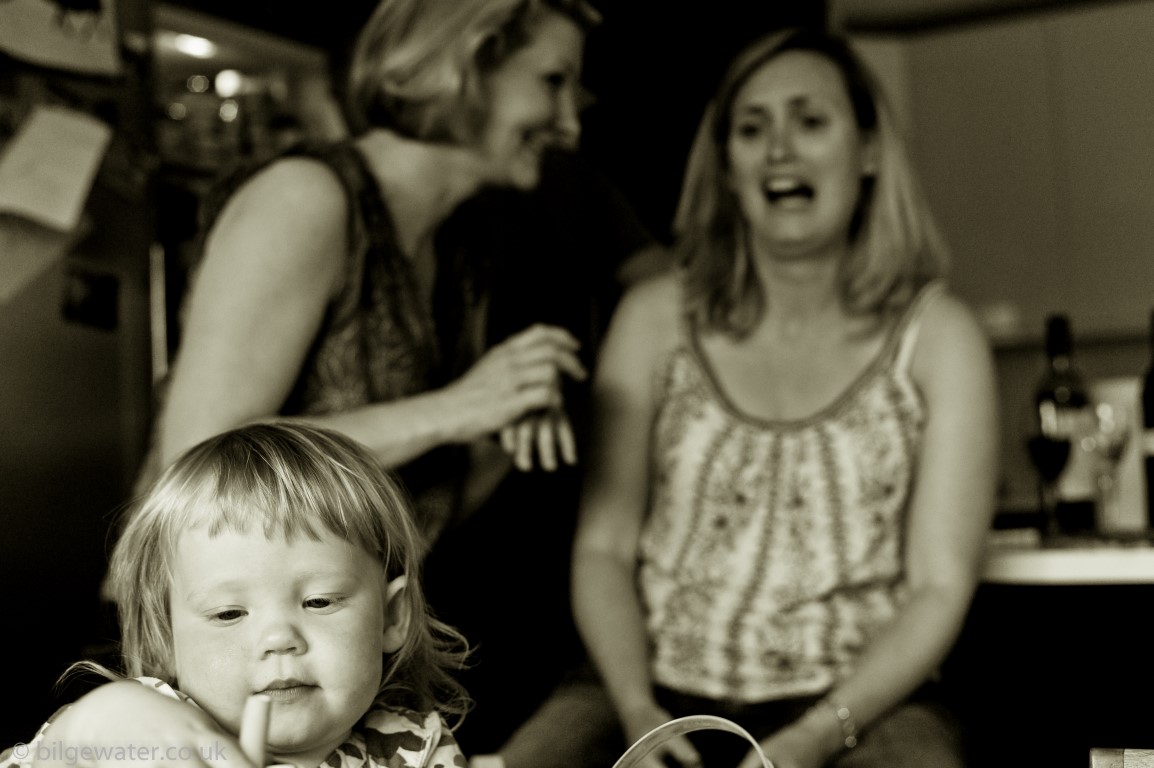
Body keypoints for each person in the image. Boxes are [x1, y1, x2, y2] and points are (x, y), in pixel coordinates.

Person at [571, 26, 999, 768]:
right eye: (751, 128)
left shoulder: (940, 336)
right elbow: (602, 549)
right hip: (644, 690)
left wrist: (809, 741)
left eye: (810, 121)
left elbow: (939, 585)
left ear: (868, 152)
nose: (779, 150)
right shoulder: (654, 316)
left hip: (860, 704)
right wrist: (639, 714)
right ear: (727, 166)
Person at [2, 423, 470, 768]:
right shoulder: (150, 732)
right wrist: (88, 729)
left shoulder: (418, 745)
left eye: (319, 601)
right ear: (168, 637)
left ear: (392, 616)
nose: (278, 638)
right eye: (228, 613)